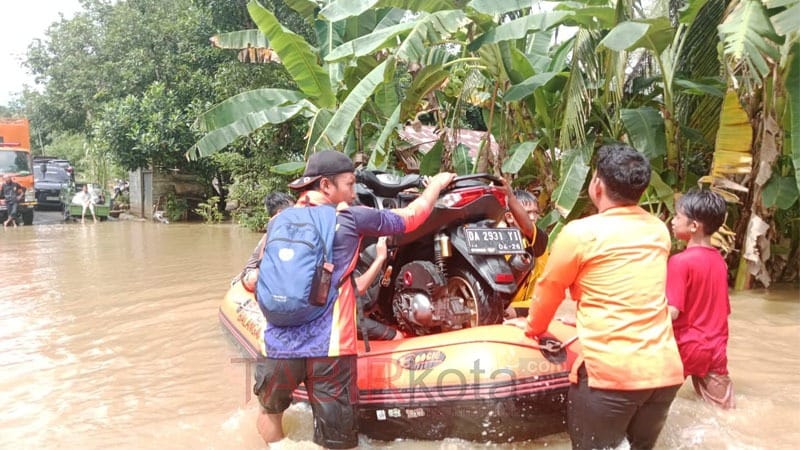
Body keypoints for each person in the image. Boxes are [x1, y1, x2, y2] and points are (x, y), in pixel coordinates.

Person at [253, 150, 455, 449]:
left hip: (276, 344)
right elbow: (411, 218)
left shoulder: (278, 222)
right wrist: (435, 185)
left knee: (270, 414)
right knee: (337, 440)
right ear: (325, 186)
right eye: (348, 184)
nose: (352, 192)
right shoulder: (348, 218)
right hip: (329, 348)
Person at [506, 144, 684, 450]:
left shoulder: (579, 233)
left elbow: (549, 289)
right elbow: (628, 291)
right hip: (664, 373)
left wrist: (532, 328)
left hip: (610, 376)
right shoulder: (658, 231)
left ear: (597, 185)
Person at [667, 188, 735, 409]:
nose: (673, 221)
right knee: (724, 410)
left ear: (694, 226)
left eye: (678, 217)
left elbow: (672, 311)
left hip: (685, 347)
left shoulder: (679, 262)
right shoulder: (719, 261)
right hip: (715, 348)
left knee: (657, 406)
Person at [499, 180, 548, 318]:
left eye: (535, 213)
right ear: (509, 217)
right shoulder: (495, 241)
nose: (532, 217)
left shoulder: (540, 241)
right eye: (527, 213)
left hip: (530, 309)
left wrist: (510, 197)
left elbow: (527, 227)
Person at [233, 191, 296, 291]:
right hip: (254, 272)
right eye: (292, 210)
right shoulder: (273, 233)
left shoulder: (285, 230)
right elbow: (263, 264)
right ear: (279, 213)